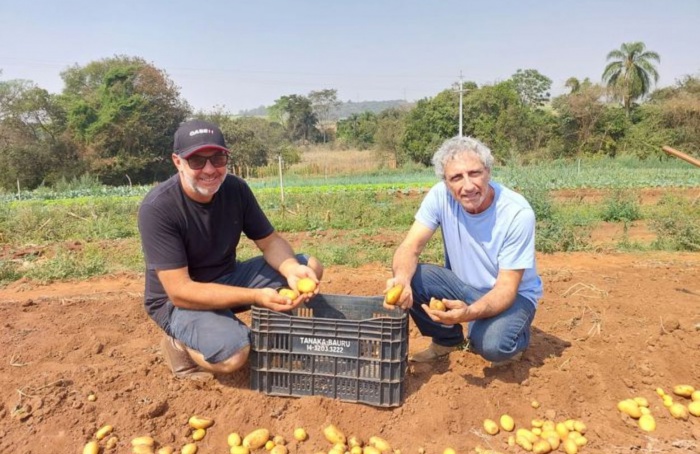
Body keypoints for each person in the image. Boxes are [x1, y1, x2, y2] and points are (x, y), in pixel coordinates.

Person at [138, 119, 323, 380]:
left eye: (218, 159)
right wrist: (257, 296)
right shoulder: (159, 208)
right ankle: (179, 344)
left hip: (226, 278)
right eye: (197, 161)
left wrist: (292, 269)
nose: (210, 169)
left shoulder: (235, 189)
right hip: (177, 301)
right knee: (233, 356)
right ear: (177, 162)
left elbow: (269, 241)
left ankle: (266, 334)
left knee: (309, 267)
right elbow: (180, 291)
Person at [385, 136, 542, 366]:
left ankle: (516, 336)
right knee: (412, 276)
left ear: (488, 172)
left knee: (492, 346)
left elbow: (507, 288)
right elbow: (410, 247)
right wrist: (401, 280)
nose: (468, 186)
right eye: (456, 177)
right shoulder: (440, 196)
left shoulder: (516, 213)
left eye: (475, 173)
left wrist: (469, 314)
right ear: (446, 183)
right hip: (464, 286)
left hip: (512, 295)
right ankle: (446, 341)